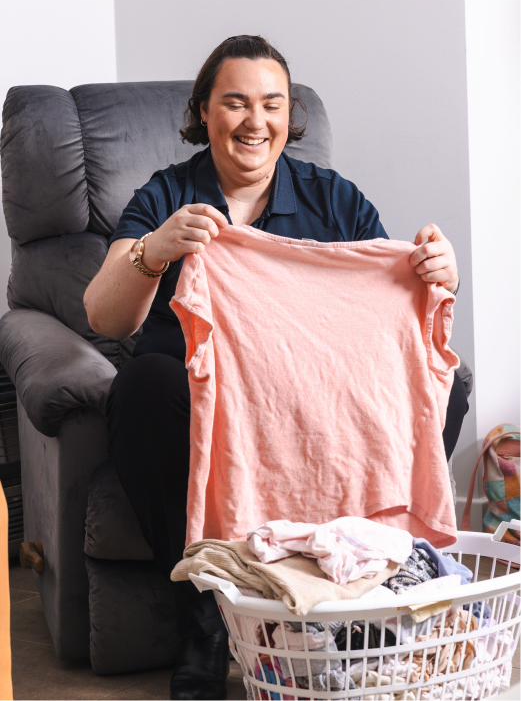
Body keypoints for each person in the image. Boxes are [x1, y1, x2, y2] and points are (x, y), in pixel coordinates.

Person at [84, 35, 467, 700]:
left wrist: (437, 277)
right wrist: (154, 250)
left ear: (291, 118)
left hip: (303, 405)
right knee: (144, 384)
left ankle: (355, 595)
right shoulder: (169, 193)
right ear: (204, 112)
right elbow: (103, 317)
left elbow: (388, 318)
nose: (254, 121)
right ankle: (204, 620)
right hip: (190, 399)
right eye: (234, 102)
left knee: (443, 387)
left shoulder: (335, 200)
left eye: (272, 104)